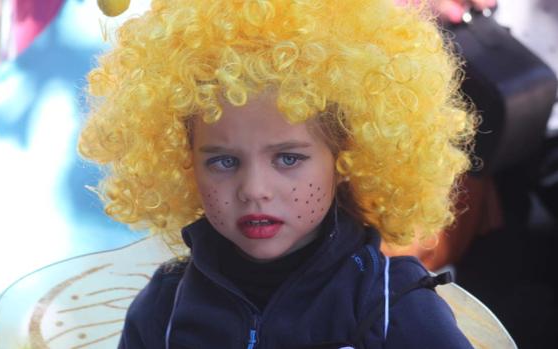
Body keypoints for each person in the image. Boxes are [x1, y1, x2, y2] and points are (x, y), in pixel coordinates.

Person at [78, 0, 477, 347]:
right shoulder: (165, 309)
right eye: (223, 161)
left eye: (287, 159)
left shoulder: (394, 308)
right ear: (185, 163)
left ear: (345, 159)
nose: (254, 190)